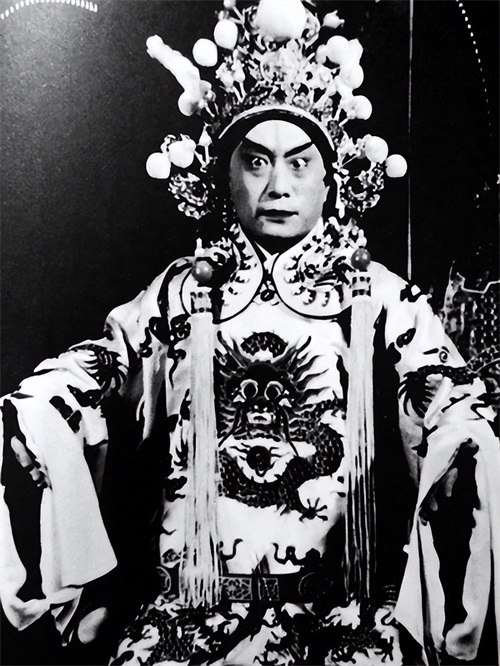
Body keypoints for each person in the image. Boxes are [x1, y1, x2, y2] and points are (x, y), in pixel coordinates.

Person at [1, 1, 498, 665]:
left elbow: (441, 387)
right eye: (257, 163)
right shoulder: (182, 290)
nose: (278, 187)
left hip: (341, 616)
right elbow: (104, 360)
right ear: (224, 175)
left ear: (331, 179)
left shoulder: (376, 294)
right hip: (187, 616)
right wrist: (40, 406)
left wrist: (460, 433)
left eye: (300, 164)